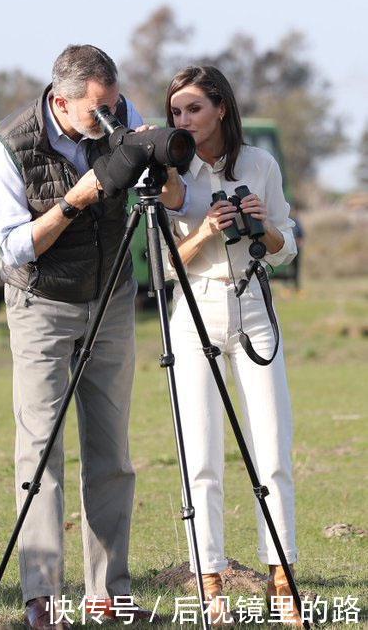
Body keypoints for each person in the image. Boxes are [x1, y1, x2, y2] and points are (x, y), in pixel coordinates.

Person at [0, 44, 166, 630]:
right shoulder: (12, 144)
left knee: (111, 452)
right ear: (61, 101)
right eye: (98, 110)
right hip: (41, 302)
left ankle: (108, 594)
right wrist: (76, 198)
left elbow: (153, 176)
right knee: (41, 453)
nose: (109, 117)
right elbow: (14, 246)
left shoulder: (115, 109)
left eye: (114, 105)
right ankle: (43, 599)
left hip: (112, 296)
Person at [160, 65, 301, 626]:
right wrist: (205, 230)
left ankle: (282, 578)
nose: (184, 120)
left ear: (220, 108)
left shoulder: (260, 165)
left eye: (193, 108)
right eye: (175, 112)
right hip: (195, 309)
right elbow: (167, 266)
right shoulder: (170, 173)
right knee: (201, 454)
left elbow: (286, 243)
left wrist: (260, 228)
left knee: (273, 448)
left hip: (254, 309)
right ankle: (210, 579)